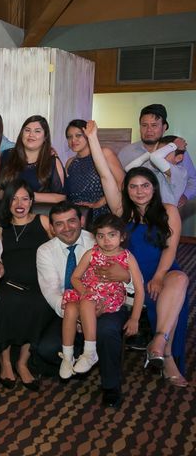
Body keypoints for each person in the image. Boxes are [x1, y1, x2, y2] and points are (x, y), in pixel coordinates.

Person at [86, 120, 189, 387]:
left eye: (145, 185)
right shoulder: (122, 210)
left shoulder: (169, 211)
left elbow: (171, 249)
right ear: (127, 191)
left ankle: (160, 342)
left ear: (153, 188)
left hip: (162, 268)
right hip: (130, 272)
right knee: (171, 286)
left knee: (180, 279)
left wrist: (159, 275)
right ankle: (165, 355)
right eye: (133, 186)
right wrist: (93, 139)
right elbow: (106, 174)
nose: (139, 190)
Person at [36, 201, 132, 407]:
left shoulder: (101, 239)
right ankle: (76, 357)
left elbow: (129, 279)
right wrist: (78, 315)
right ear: (52, 228)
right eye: (59, 224)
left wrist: (126, 277)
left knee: (106, 332)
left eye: (72, 221)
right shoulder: (45, 251)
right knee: (46, 348)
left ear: (81, 220)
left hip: (107, 304)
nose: (67, 228)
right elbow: (51, 291)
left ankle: (110, 386)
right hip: (69, 308)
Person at [59, 214, 144, 379]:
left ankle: (90, 351)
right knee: (70, 308)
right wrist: (83, 290)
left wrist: (135, 318)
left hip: (109, 297)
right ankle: (68, 357)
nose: (106, 240)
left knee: (86, 303)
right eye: (100, 235)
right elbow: (75, 278)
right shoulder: (91, 253)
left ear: (122, 236)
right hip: (88, 293)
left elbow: (140, 290)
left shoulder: (127, 257)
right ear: (95, 237)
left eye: (112, 235)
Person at [0, 179, 53, 392]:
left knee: (38, 303)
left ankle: (22, 361)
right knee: (6, 301)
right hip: (8, 283)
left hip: (39, 284)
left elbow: (62, 247)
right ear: (8, 202)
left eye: (25, 198)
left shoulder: (44, 221)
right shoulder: (2, 227)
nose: (20, 203)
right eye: (14, 199)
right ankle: (6, 361)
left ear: (31, 202)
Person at [118, 103, 196, 208]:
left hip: (168, 211)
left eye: (154, 125)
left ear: (164, 128)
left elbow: (193, 180)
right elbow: (121, 181)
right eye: (144, 125)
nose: (149, 130)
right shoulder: (126, 152)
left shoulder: (179, 152)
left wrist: (185, 196)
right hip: (134, 212)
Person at [64, 119, 124, 220]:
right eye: (69, 137)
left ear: (88, 135)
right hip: (76, 216)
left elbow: (122, 183)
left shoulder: (105, 153)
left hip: (103, 213)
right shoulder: (70, 162)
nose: (73, 140)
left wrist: (100, 203)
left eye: (78, 135)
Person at [0, 115, 65, 203]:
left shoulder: (52, 161)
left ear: (45, 137)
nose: (31, 135)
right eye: (27, 130)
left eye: (37, 131)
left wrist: (27, 196)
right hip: (6, 210)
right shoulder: (6, 155)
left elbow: (61, 197)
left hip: (39, 213)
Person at [123, 134, 188, 206]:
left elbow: (156, 157)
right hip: (152, 212)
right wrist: (149, 154)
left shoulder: (181, 173)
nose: (160, 154)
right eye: (159, 151)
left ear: (178, 158)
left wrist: (174, 145)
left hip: (167, 214)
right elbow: (129, 169)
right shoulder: (157, 170)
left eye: (164, 153)